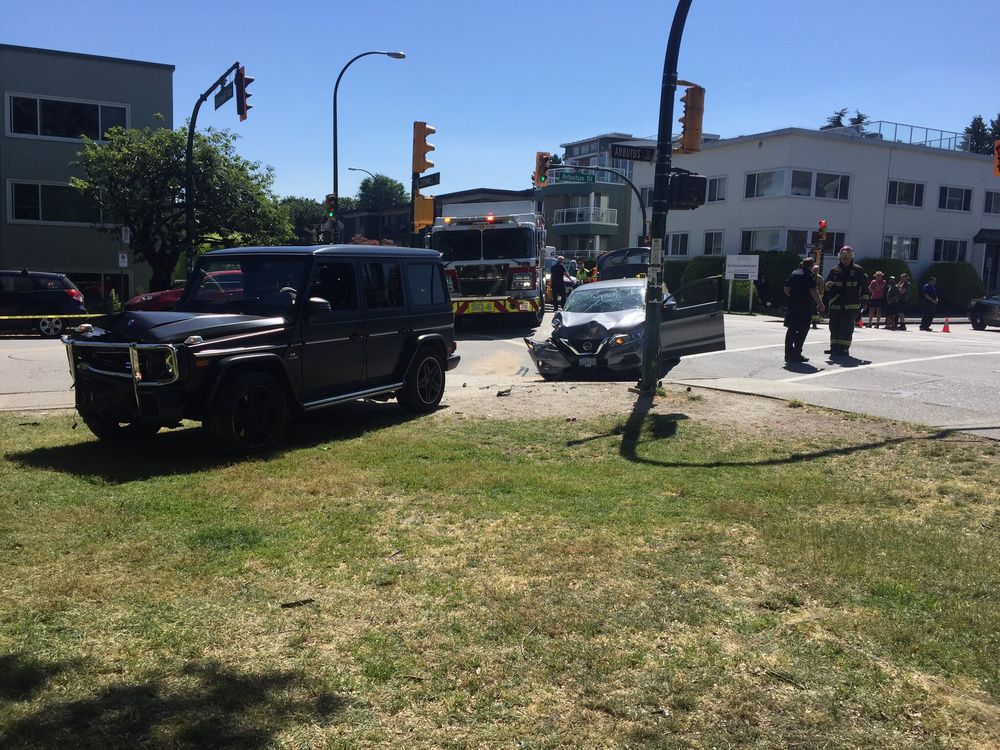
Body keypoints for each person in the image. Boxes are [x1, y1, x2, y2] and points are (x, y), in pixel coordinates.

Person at [824, 246, 869, 358]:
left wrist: (864, 302)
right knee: (834, 326)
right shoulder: (834, 271)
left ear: (851, 258)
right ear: (840, 257)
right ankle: (834, 347)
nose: (845, 260)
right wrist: (828, 286)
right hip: (836, 304)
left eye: (847, 258)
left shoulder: (858, 271)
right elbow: (827, 285)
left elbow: (865, 288)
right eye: (843, 258)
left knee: (846, 328)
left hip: (851, 305)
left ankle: (843, 349)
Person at [783, 256, 824, 363]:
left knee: (791, 329)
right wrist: (820, 304)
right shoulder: (809, 275)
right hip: (804, 307)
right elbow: (813, 291)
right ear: (811, 266)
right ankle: (796, 353)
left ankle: (788, 354)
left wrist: (793, 298)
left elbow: (786, 290)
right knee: (802, 330)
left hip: (792, 307)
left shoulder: (794, 273)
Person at [811, 264, 823, 329]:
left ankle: (814, 323)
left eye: (816, 270)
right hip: (809, 296)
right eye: (814, 270)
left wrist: (820, 297)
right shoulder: (809, 276)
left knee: (815, 310)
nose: (815, 271)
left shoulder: (820, 278)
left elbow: (821, 289)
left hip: (816, 296)